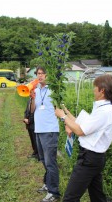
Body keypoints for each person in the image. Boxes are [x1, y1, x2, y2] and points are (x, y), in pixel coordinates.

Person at [55, 74, 112, 202]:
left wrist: (63, 117)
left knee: (70, 198)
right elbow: (83, 124)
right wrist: (67, 113)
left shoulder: (104, 111)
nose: (93, 90)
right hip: (94, 158)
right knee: (97, 196)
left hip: (89, 159)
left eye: (95, 87)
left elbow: (80, 130)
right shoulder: (103, 109)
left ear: (102, 90)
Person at [34, 66, 61, 202]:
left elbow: (60, 108)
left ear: (47, 75)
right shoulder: (35, 90)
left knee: (51, 162)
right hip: (38, 130)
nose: (40, 76)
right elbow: (34, 109)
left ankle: (54, 192)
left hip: (50, 130)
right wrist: (32, 98)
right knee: (44, 160)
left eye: (42, 73)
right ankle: (48, 183)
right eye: (38, 74)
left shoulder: (54, 90)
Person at [23, 88, 38, 160]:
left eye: (31, 92)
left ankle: (37, 154)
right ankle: (34, 152)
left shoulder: (36, 101)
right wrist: (25, 118)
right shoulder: (29, 100)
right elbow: (26, 111)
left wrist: (29, 120)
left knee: (35, 139)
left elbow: (34, 113)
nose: (30, 93)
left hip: (33, 124)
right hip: (28, 124)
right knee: (32, 138)